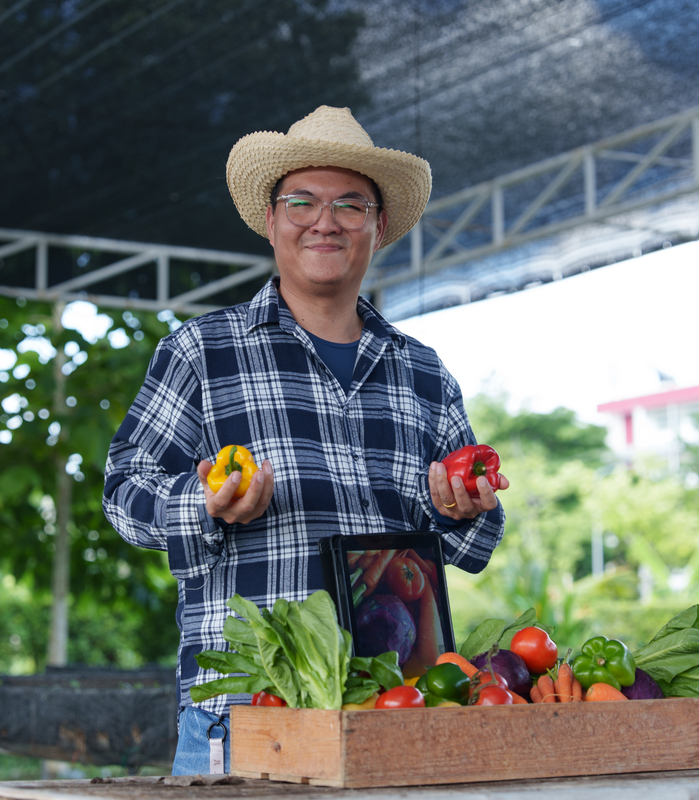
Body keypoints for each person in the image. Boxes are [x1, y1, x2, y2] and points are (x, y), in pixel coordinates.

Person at [102, 106, 507, 775]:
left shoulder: (424, 374)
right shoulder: (202, 351)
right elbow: (124, 493)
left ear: (378, 226)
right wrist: (204, 504)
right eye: (302, 202)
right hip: (250, 717)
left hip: (395, 713)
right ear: (271, 220)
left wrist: (460, 508)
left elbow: (475, 545)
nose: (326, 221)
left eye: (351, 204)